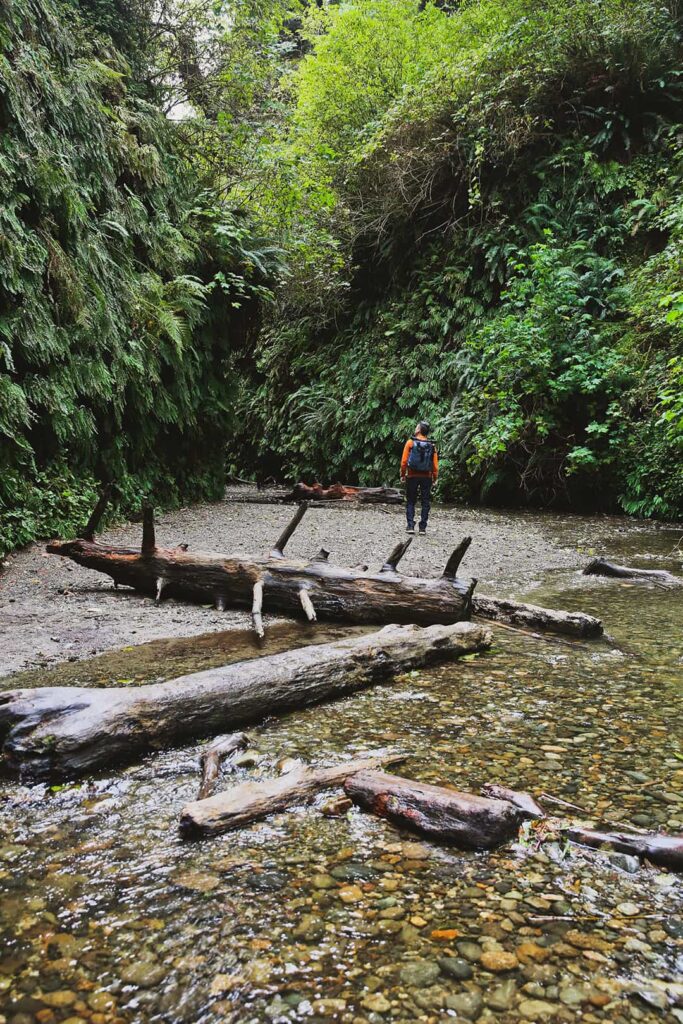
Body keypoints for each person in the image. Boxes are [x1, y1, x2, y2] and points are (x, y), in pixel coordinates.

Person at [400, 421, 438, 534]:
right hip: (427, 477)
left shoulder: (410, 443)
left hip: (412, 475)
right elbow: (435, 465)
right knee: (425, 502)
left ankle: (410, 526)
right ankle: (422, 528)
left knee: (411, 500)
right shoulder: (432, 445)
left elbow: (404, 462)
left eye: (417, 427)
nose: (415, 428)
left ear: (419, 430)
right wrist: (435, 478)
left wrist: (402, 474)